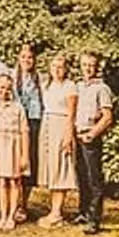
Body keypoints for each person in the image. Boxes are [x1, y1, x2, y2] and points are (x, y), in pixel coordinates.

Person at [0, 41, 36, 229]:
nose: (4, 91)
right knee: (2, 181)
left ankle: (12, 217)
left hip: (14, 146)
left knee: (15, 181)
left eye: (8, 88)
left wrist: (24, 155)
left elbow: (25, 132)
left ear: (11, 90)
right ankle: (3, 215)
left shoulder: (18, 108)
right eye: (1, 88)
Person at [34, 46, 78, 224]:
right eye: (54, 66)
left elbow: (71, 113)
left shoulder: (70, 86)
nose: (57, 70)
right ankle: (53, 210)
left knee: (61, 167)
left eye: (61, 66)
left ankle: (57, 212)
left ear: (66, 69)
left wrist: (68, 135)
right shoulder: (46, 85)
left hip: (62, 125)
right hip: (47, 124)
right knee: (51, 167)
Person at [72, 53, 114, 235]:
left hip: (91, 137)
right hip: (78, 136)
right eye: (84, 65)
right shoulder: (79, 86)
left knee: (93, 179)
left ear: (97, 67)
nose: (87, 68)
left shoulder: (102, 88)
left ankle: (94, 219)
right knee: (81, 177)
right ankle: (83, 212)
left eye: (91, 65)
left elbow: (107, 117)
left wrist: (93, 133)